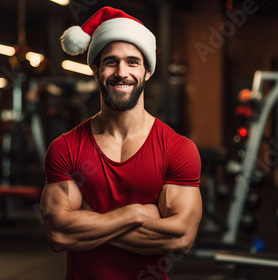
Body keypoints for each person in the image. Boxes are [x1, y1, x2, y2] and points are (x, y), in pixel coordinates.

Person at [39, 6, 202, 280]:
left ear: (147, 71)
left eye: (133, 62)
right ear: (96, 69)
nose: (121, 72)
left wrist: (90, 220)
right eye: (111, 61)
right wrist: (134, 214)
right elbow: (57, 234)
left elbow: (181, 239)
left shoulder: (178, 149)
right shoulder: (65, 148)